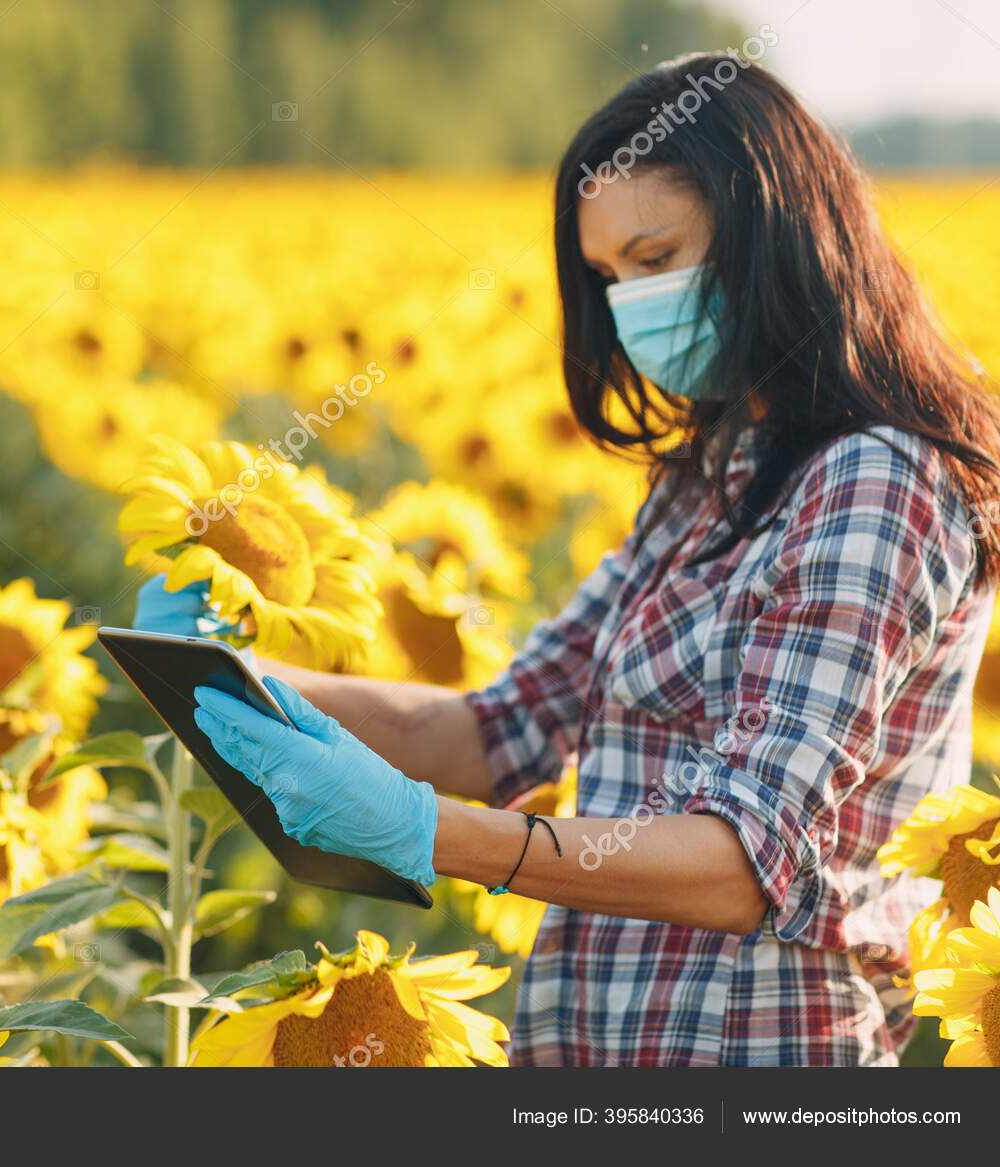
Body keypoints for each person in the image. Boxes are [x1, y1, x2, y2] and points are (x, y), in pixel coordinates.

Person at [135, 53, 1000, 1066]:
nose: (632, 307)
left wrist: (427, 834)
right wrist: (228, 682)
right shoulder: (710, 471)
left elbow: (743, 864)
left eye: (654, 255)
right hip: (589, 1045)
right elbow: (498, 731)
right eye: (606, 278)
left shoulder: (875, 480)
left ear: (774, 227)